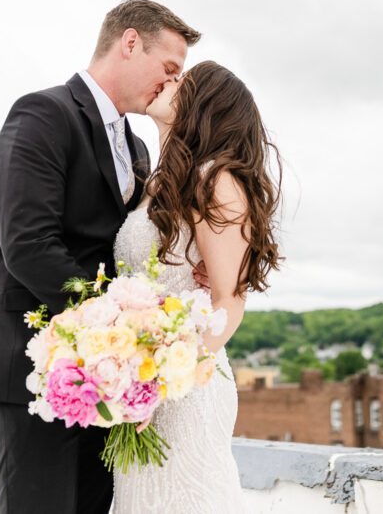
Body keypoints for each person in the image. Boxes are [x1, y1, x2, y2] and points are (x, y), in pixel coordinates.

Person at [0, 0, 201, 514]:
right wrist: (124, 326)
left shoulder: (136, 147)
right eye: (169, 68)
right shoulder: (42, 114)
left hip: (107, 379)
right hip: (31, 371)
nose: (170, 83)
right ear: (130, 43)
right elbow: (29, 246)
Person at [112, 60, 283, 513]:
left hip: (187, 388)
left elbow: (231, 300)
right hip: (142, 384)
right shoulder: (156, 181)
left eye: (181, 81)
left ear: (205, 105)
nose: (168, 80)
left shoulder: (212, 179)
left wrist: (162, 384)